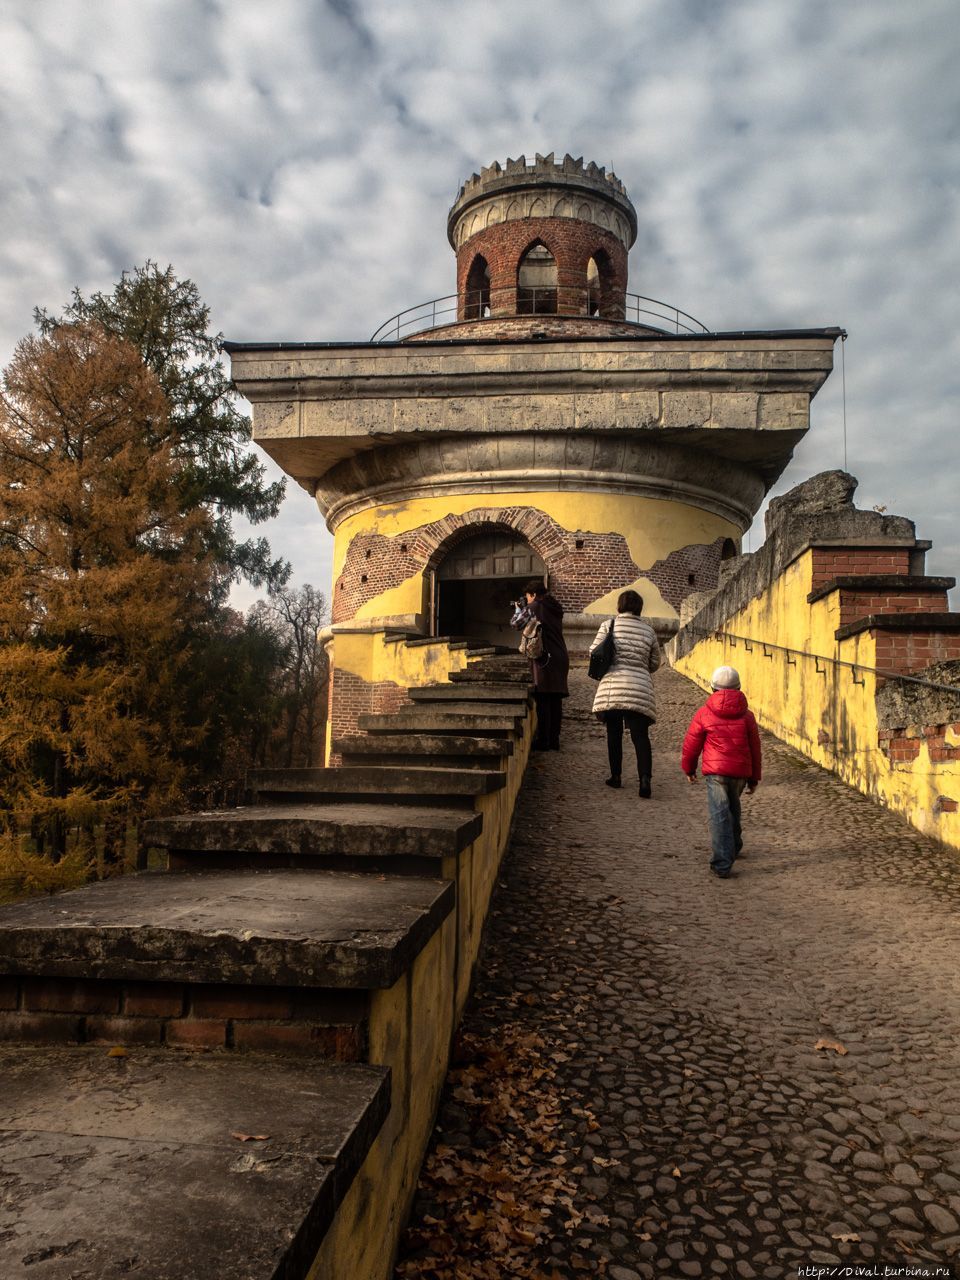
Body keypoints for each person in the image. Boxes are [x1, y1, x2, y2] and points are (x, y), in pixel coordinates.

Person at [680, 665, 762, 879]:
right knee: (733, 808)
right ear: (739, 688)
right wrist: (754, 777)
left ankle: (722, 863)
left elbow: (691, 744)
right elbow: (755, 748)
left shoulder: (704, 713)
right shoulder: (747, 716)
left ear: (713, 688)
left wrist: (689, 768)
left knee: (719, 815)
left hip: (716, 773)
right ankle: (734, 845)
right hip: (740, 772)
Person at [589, 590, 661, 797]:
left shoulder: (608, 626)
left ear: (619, 606)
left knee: (614, 733)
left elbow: (594, 652)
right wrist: (639, 668)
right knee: (640, 736)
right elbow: (655, 662)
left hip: (613, 686)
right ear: (640, 608)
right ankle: (645, 780)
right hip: (640, 688)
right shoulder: (649, 631)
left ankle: (616, 777)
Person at [512, 579, 569, 751]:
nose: (527, 600)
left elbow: (516, 624)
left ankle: (544, 740)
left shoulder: (535, 606)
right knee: (555, 699)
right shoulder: (555, 607)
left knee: (543, 698)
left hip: (544, 656)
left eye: (528, 597)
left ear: (534, 594)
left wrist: (518, 609)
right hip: (560, 655)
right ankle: (554, 740)